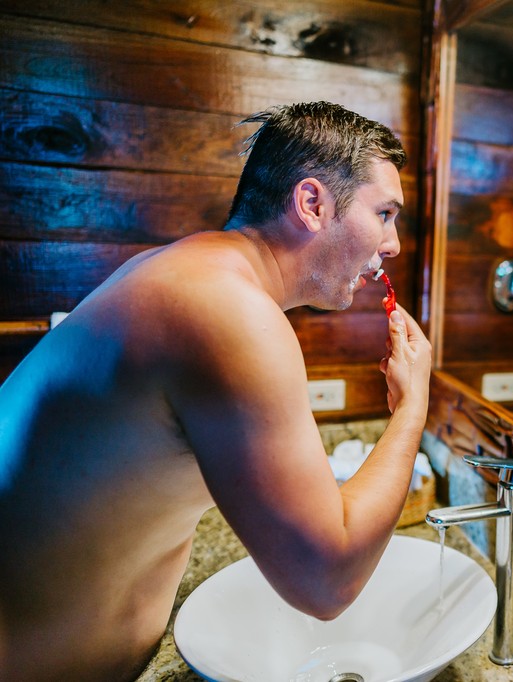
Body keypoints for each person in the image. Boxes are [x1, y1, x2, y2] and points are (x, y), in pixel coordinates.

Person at [0, 102, 432, 681]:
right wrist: (412, 409)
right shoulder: (226, 310)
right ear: (311, 204)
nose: (393, 244)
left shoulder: (191, 274)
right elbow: (327, 580)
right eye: (384, 213)